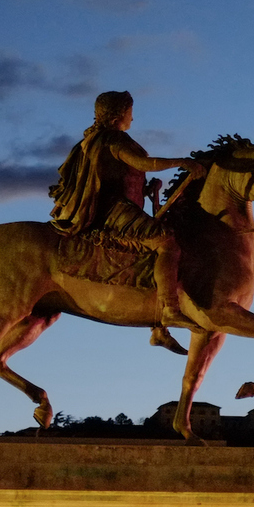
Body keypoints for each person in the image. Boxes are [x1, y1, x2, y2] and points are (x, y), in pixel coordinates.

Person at [49, 90, 208, 352]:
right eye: (130, 114)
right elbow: (143, 162)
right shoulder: (113, 139)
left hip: (121, 204)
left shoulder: (99, 139)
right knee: (167, 242)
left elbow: (121, 176)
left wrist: (146, 192)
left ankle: (159, 330)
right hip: (113, 210)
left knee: (155, 245)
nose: (132, 120)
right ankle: (169, 310)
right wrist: (182, 162)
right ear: (117, 118)